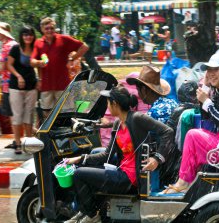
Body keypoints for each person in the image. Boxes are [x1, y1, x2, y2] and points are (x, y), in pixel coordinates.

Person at [64, 85, 174, 223]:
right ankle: (86, 211)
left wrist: (157, 158)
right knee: (82, 168)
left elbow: (167, 132)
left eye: (108, 102)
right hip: (121, 170)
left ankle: (92, 215)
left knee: (79, 174)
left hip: (130, 178)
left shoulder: (137, 118)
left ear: (114, 103)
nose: (107, 106)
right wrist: (80, 158)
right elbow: (106, 155)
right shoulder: (117, 123)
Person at [162, 53, 219, 194]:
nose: (211, 73)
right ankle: (185, 180)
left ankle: (183, 182)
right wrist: (205, 89)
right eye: (209, 70)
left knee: (193, 135)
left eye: (216, 70)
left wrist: (206, 101)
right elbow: (207, 117)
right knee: (195, 134)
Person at [30, 17, 89, 118]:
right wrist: (39, 62)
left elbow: (84, 47)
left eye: (51, 28)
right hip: (46, 84)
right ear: (42, 29)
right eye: (47, 28)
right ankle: (51, 133)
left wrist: (72, 58)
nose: (49, 30)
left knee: (65, 113)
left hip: (62, 84)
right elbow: (32, 61)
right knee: (47, 113)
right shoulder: (38, 43)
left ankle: (63, 132)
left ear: (55, 28)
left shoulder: (63, 39)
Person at [7, 26, 39, 154]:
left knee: (29, 115)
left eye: (30, 34)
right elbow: (8, 65)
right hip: (16, 86)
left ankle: (29, 142)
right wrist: (18, 76)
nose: (28, 37)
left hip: (31, 86)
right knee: (17, 116)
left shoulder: (36, 48)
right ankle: (18, 143)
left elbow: (42, 62)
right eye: (25, 34)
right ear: (21, 36)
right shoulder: (15, 48)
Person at [0, 22, 18, 135]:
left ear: (3, 33)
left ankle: (17, 140)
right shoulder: (13, 44)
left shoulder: (7, 46)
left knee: (12, 115)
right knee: (14, 114)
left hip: (9, 85)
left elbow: (3, 67)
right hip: (12, 84)